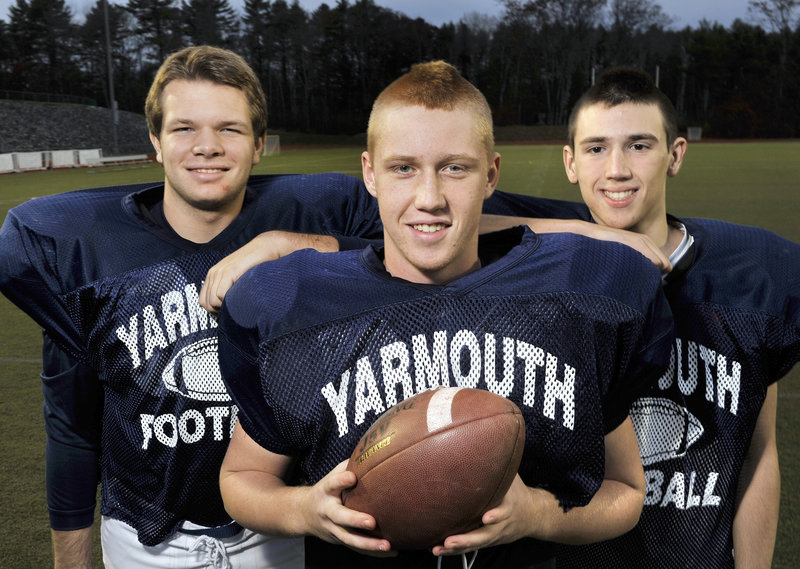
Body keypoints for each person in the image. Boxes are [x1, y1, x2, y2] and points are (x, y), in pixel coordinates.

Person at [216, 60, 675, 569]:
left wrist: (539, 515)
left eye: (454, 167)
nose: (429, 199)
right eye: (403, 168)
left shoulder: (577, 299)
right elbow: (240, 481)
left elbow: (627, 493)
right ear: (370, 173)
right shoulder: (298, 306)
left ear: (491, 175)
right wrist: (303, 509)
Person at [0, 45, 395, 569]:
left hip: (288, 523)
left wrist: (291, 244)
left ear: (259, 145)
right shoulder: (85, 252)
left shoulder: (312, 224)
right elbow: (72, 426)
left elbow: (439, 243)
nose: (207, 146)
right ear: (156, 143)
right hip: (145, 541)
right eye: (184, 128)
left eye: (229, 129)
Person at [490, 67, 800, 568]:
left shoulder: (750, 278)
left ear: (675, 155)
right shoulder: (542, 270)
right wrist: (596, 237)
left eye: (638, 145)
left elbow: (758, 454)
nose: (616, 169)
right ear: (570, 163)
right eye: (595, 148)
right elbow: (444, 222)